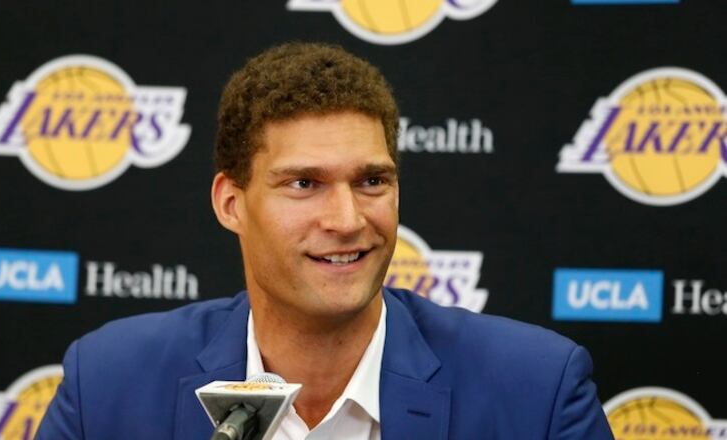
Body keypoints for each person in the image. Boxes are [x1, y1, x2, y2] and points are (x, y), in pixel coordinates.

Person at [36, 42, 615, 440]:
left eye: (371, 181)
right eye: (304, 184)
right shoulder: (109, 383)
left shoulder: (537, 390)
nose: (346, 219)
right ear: (231, 203)